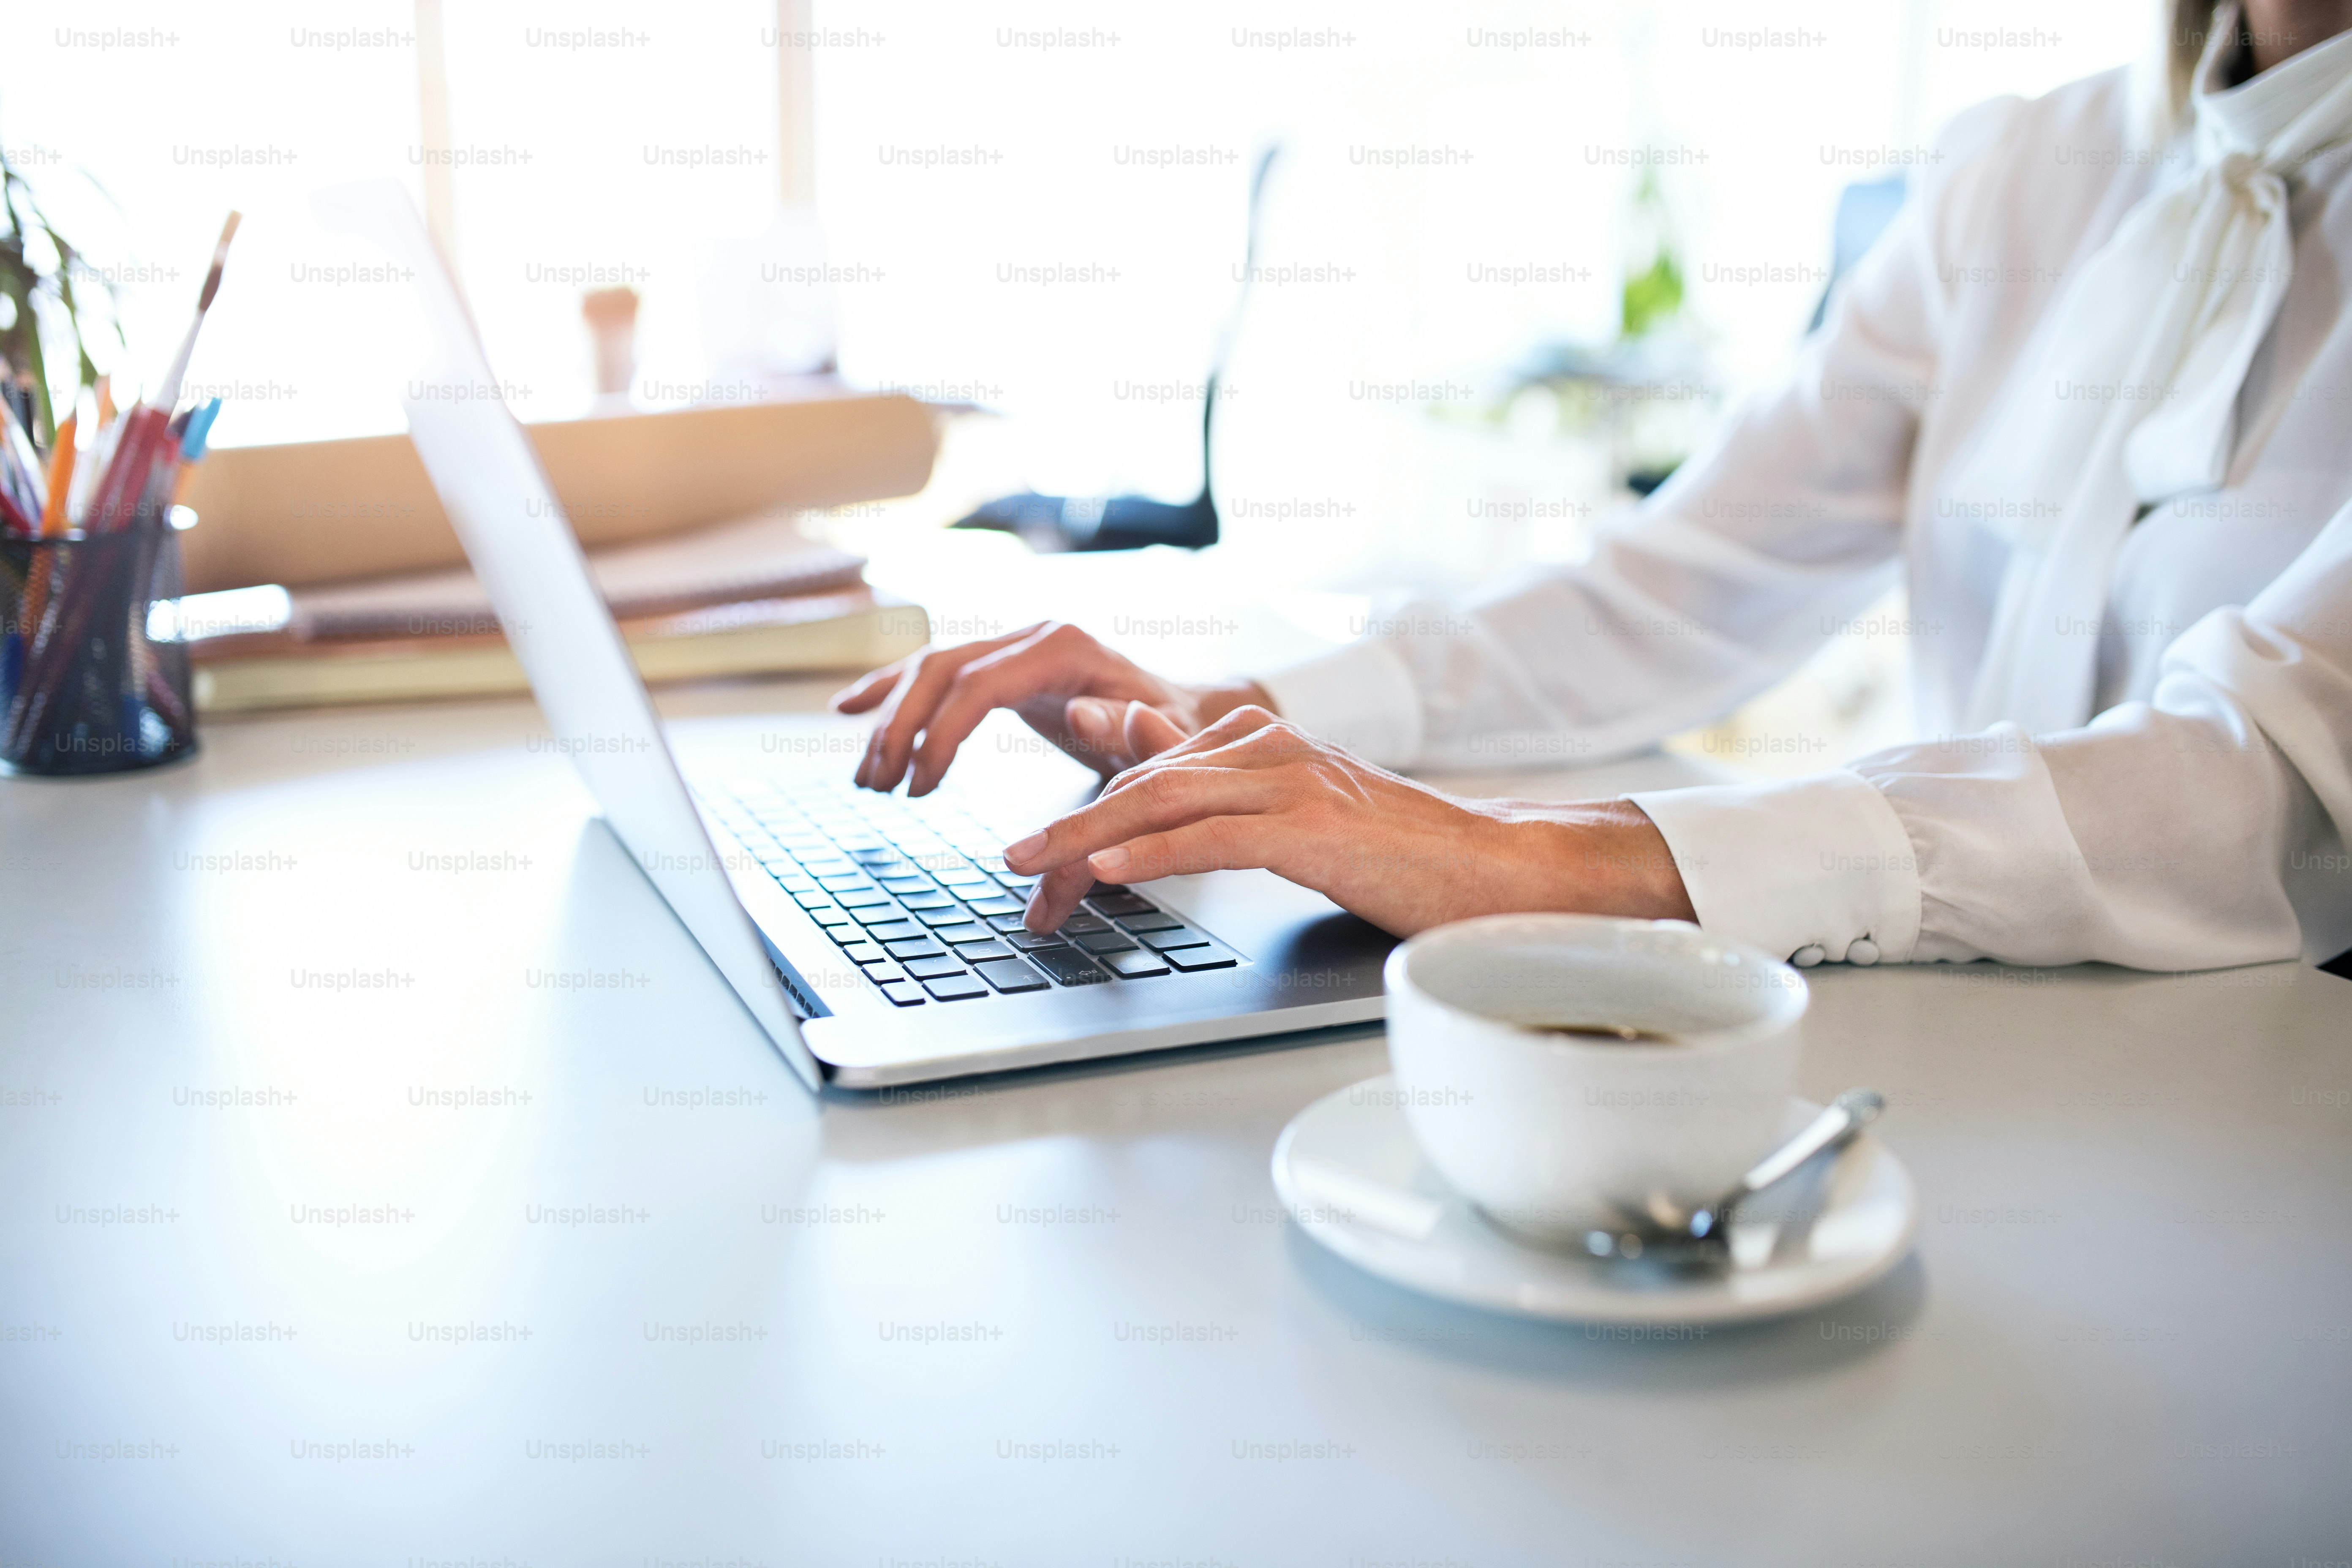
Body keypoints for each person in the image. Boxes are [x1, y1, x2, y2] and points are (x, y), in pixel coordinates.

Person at [834, 0, 2352, 975]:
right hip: (1964, 1044)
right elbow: (1676, 591)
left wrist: (1538, 861)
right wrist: (1236, 709)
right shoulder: (2025, 169)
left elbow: (2259, 786)